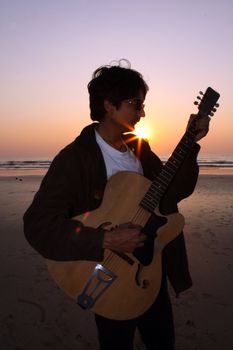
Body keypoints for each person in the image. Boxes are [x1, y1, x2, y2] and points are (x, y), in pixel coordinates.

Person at [23, 59, 210, 350]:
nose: (143, 112)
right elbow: (37, 226)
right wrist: (105, 238)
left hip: (150, 270)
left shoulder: (139, 147)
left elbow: (172, 193)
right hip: (109, 273)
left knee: (163, 343)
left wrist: (191, 142)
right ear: (109, 105)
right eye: (136, 103)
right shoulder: (76, 159)